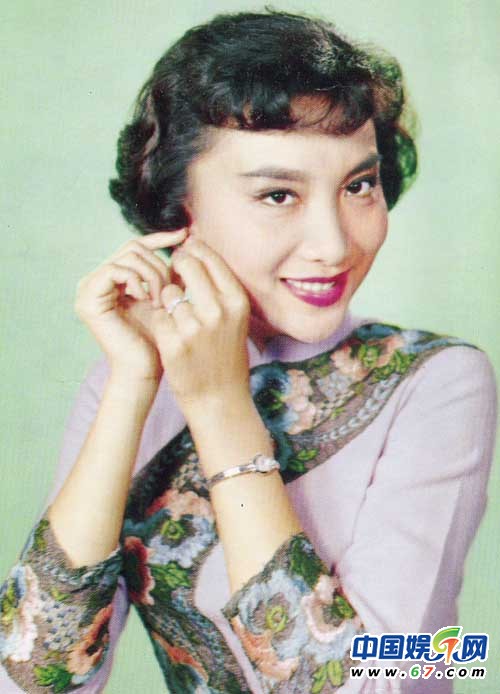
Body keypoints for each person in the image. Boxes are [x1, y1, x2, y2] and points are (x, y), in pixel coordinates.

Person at [0, 9, 497, 693]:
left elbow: (388, 680)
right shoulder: (132, 385)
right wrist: (134, 381)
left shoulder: (435, 381)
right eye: (277, 194)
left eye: (359, 185)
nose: (333, 244)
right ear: (179, 211)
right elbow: (29, 681)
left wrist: (219, 403)